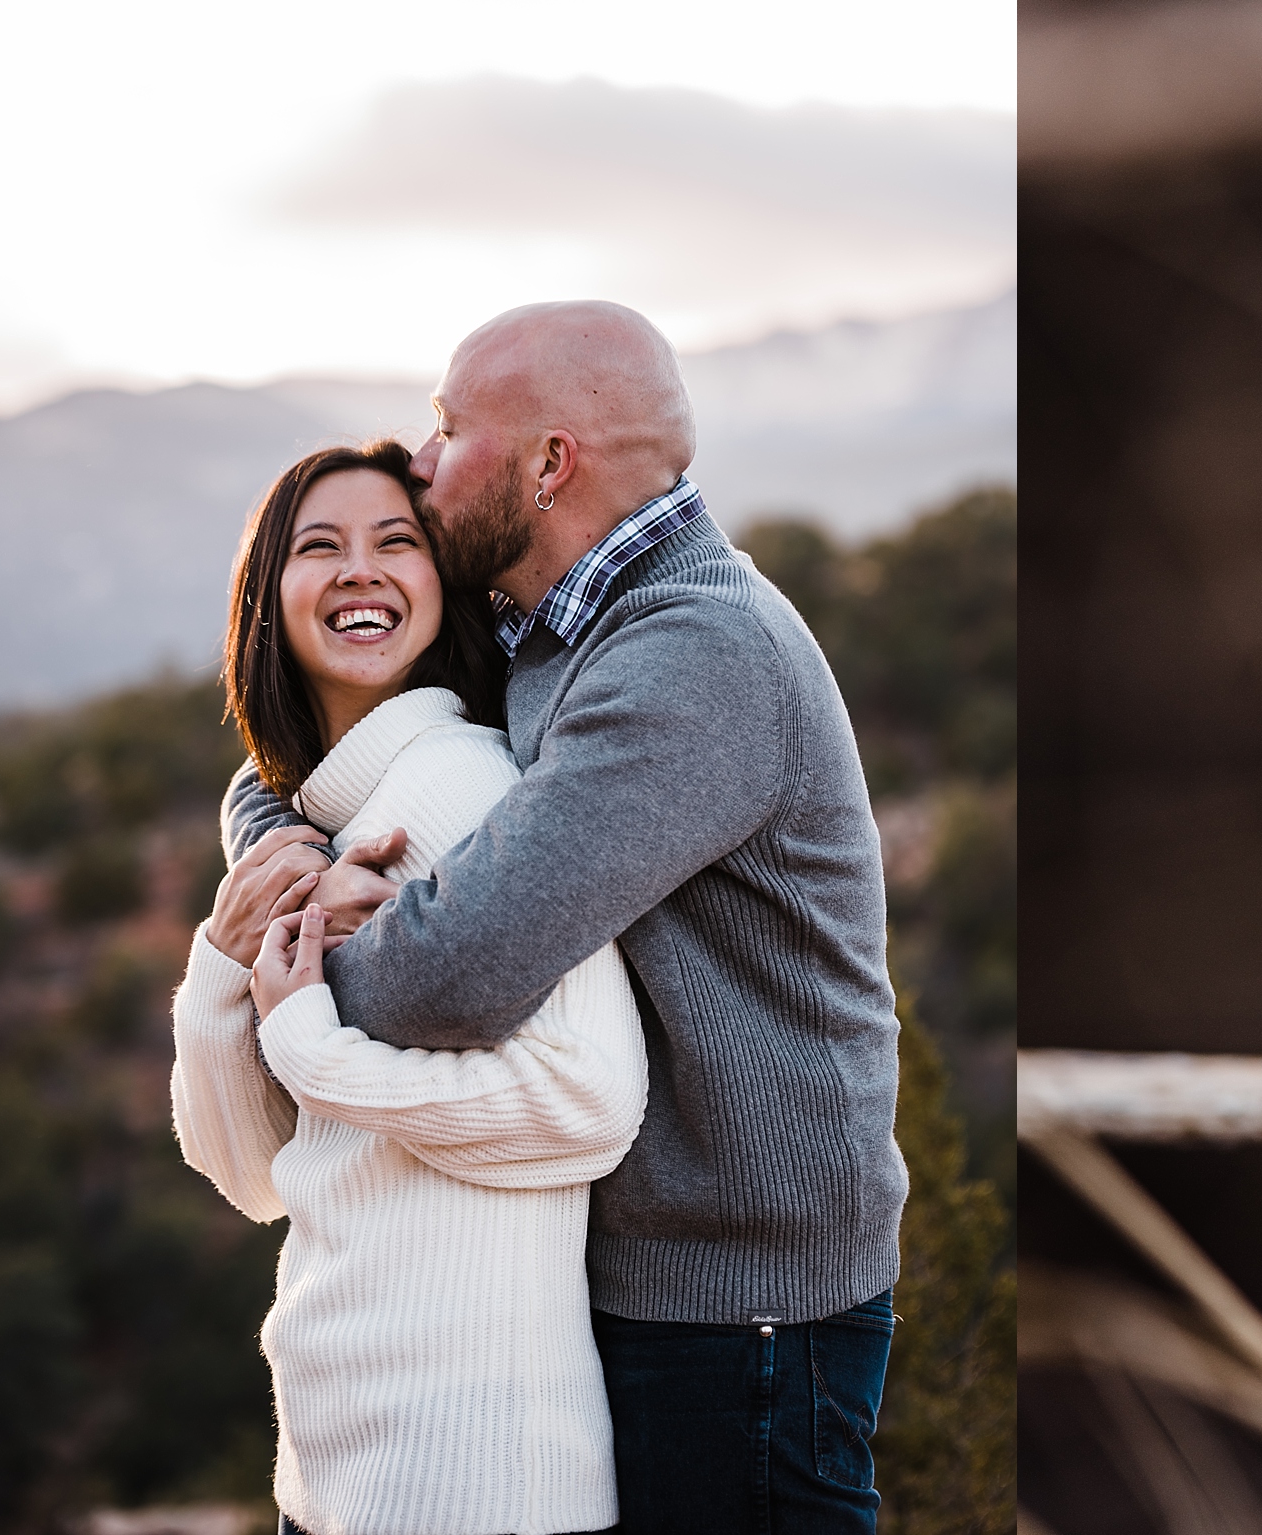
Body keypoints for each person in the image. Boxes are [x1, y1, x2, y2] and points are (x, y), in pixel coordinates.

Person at [219, 302, 910, 1533]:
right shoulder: (543, 615)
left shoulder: (692, 652)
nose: (421, 463)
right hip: (640, 1262)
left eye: (447, 430)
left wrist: (300, 980)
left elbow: (453, 973)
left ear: (548, 464)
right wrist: (277, 842)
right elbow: (318, 730)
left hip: (741, 1301)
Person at [174, 439, 649, 1535]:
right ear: (267, 596)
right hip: (334, 1471)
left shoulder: (461, 788)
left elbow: (589, 1101)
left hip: (476, 1477)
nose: (360, 568)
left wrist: (312, 1045)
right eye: (319, 546)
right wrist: (219, 963)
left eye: (398, 542)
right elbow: (255, 1176)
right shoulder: (317, 827)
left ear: (444, 585)